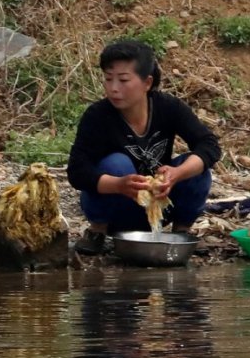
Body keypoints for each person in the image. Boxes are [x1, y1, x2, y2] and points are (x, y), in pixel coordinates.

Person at [67, 39, 221, 254]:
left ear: (147, 83)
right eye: (108, 79)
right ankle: (97, 232)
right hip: (115, 206)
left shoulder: (168, 107)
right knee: (116, 164)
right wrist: (119, 184)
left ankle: (182, 232)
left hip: (160, 204)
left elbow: (209, 145)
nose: (113, 88)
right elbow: (77, 172)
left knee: (194, 167)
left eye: (123, 80)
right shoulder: (97, 116)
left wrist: (176, 174)